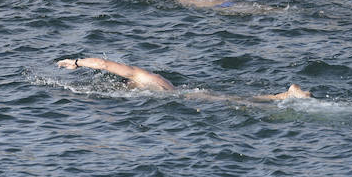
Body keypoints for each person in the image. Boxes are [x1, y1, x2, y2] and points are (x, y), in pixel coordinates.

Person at [57, 57, 313, 101]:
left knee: (243, 102)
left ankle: (288, 95)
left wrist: (76, 63)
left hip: (188, 97)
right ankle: (287, 94)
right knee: (241, 98)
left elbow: (104, 64)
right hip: (188, 93)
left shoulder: (136, 76)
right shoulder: (150, 77)